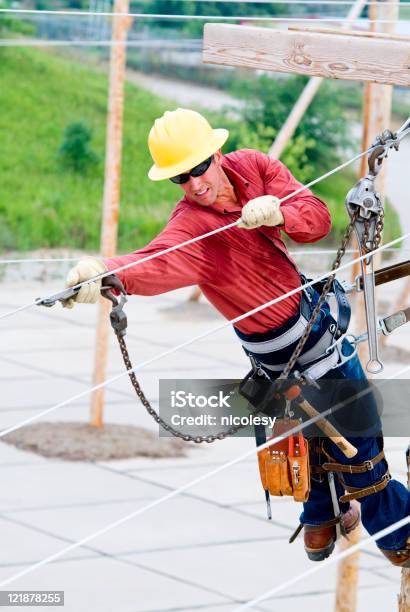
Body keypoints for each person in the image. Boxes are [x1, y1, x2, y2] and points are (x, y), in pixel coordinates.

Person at [63, 108, 409, 565]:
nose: (194, 184)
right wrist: (105, 274)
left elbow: (317, 220)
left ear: (216, 153)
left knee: (349, 443)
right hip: (283, 361)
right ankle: (396, 537)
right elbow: (155, 261)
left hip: (314, 333)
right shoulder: (192, 228)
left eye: (198, 168)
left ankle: (325, 512)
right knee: (361, 457)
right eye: (179, 178)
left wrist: (278, 212)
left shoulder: (254, 168)